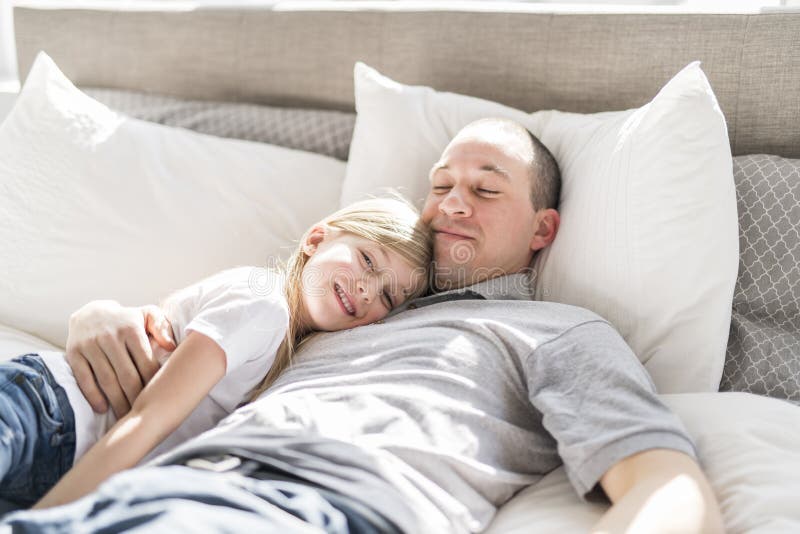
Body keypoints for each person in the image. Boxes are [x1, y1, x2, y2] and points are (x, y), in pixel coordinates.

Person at [3, 118, 723, 533]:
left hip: (312, 506)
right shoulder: (344, 309)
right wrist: (99, 313)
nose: (452, 204)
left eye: (486, 188)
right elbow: (208, 334)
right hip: (170, 483)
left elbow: (667, 485)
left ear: (545, 228)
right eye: (440, 186)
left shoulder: (559, 331)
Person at [0, 197, 431, 511]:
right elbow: (148, 418)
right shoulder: (264, 307)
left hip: (64, 455)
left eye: (388, 296)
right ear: (316, 239)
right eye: (368, 261)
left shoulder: (288, 347)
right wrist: (52, 519)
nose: (367, 288)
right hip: (48, 413)